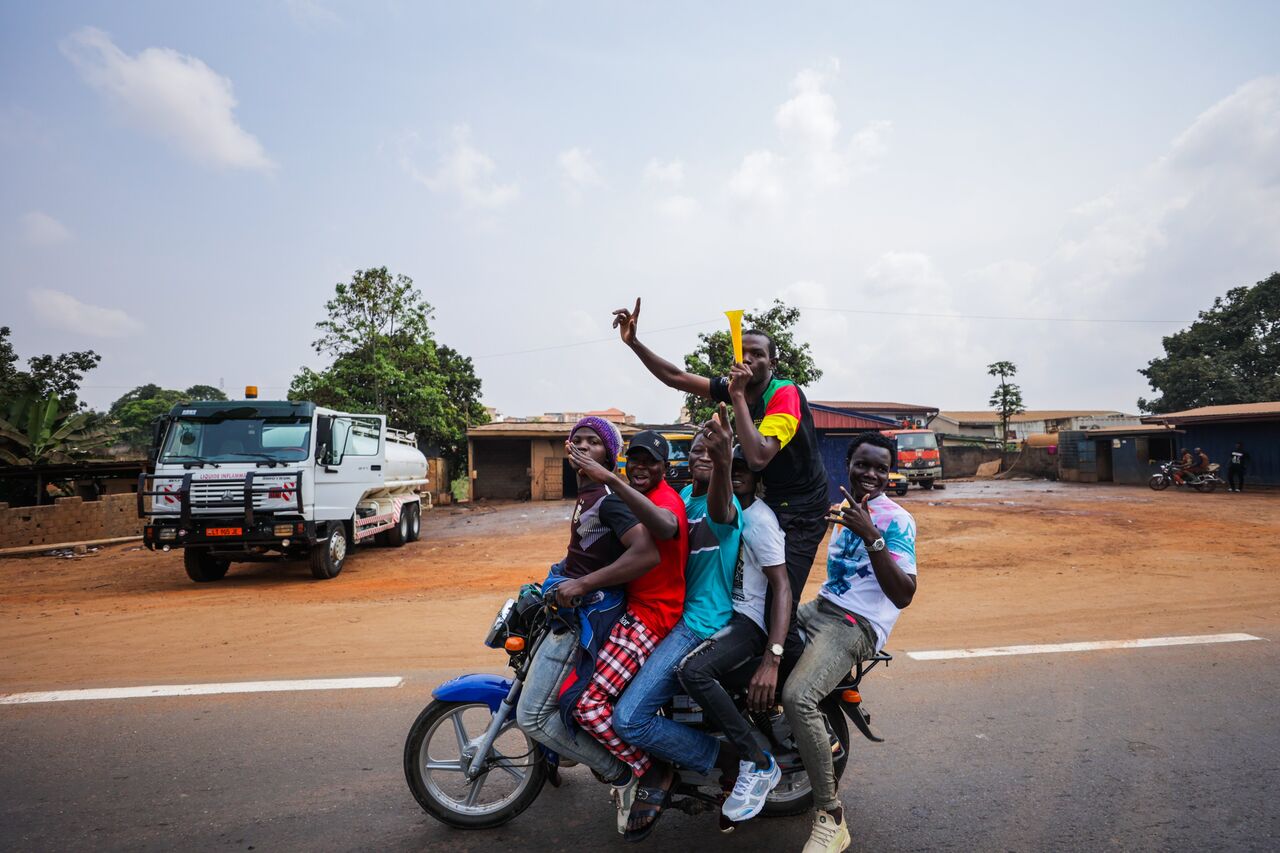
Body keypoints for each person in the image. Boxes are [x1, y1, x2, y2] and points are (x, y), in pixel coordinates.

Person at [613, 298, 829, 658]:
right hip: (770, 502)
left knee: (779, 600)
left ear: (773, 363)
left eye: (757, 354)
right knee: (745, 593)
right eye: (742, 352)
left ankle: (789, 681)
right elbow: (676, 378)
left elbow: (759, 456)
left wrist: (738, 396)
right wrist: (634, 342)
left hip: (804, 510)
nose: (748, 359)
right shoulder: (735, 387)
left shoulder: (784, 393)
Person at [611, 405, 743, 840]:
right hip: (669, 613)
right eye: (698, 451)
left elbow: (719, 502)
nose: (703, 456)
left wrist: (723, 458)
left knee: (629, 719)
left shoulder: (724, 504)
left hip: (700, 621)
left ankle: (722, 760)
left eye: (713, 452)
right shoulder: (682, 498)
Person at [514, 417, 661, 804]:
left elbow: (645, 553)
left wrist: (582, 584)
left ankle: (620, 773)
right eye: (576, 440)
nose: (582, 446)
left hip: (588, 615)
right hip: (571, 603)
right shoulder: (587, 497)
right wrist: (561, 574)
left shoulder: (610, 500)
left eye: (593, 442)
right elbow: (585, 554)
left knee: (531, 716)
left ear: (609, 455)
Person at [782, 433, 917, 853]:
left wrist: (872, 536)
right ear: (849, 463)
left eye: (880, 467)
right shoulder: (842, 508)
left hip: (856, 625)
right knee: (754, 641)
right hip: (822, 607)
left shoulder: (897, 520)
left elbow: (904, 594)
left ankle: (831, 817)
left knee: (798, 697)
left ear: (889, 471)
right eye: (864, 464)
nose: (871, 474)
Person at [562, 428, 690, 833]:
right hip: (630, 608)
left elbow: (666, 529)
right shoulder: (633, 498)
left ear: (665, 469)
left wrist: (610, 479)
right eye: (634, 459)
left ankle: (647, 771)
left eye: (650, 461)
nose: (640, 467)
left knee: (588, 704)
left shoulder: (663, 501)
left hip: (650, 616)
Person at [677, 443, 792, 827]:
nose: (738, 471)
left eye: (746, 466)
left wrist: (773, 656)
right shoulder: (724, 508)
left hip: (748, 620)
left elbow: (782, 586)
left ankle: (757, 762)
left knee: (693, 671)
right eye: (732, 464)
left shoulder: (758, 520)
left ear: (758, 475)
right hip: (721, 612)